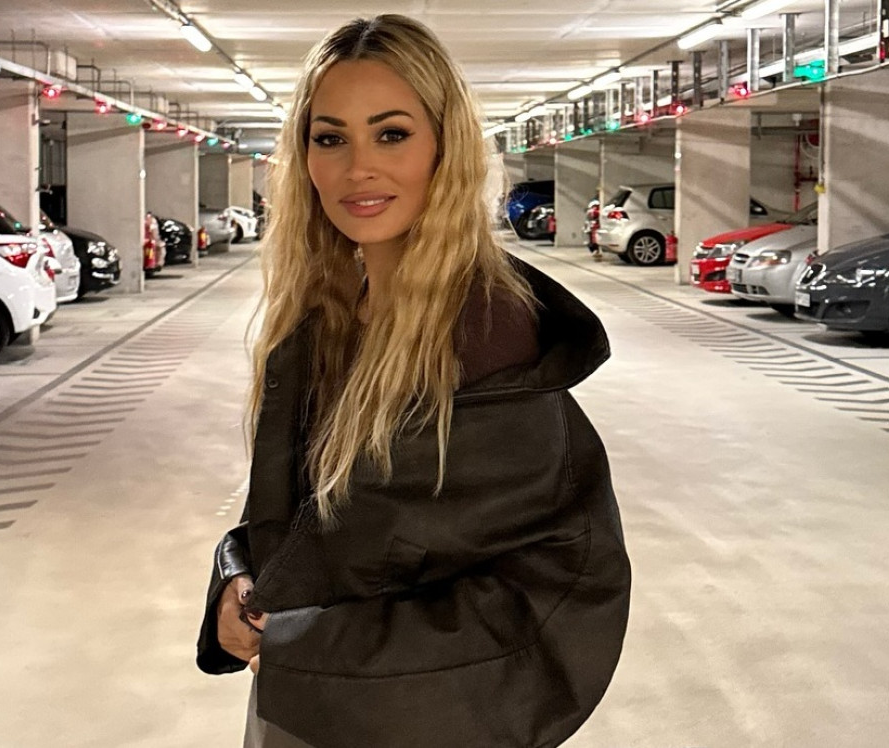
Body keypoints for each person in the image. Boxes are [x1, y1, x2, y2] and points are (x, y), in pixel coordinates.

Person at [196, 14, 631, 748]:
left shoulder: (485, 331)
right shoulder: (331, 315)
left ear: (444, 147)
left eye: (391, 134)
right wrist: (238, 579)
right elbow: (313, 517)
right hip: (309, 698)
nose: (358, 168)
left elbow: (543, 591)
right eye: (330, 138)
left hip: (406, 718)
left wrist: (308, 643)